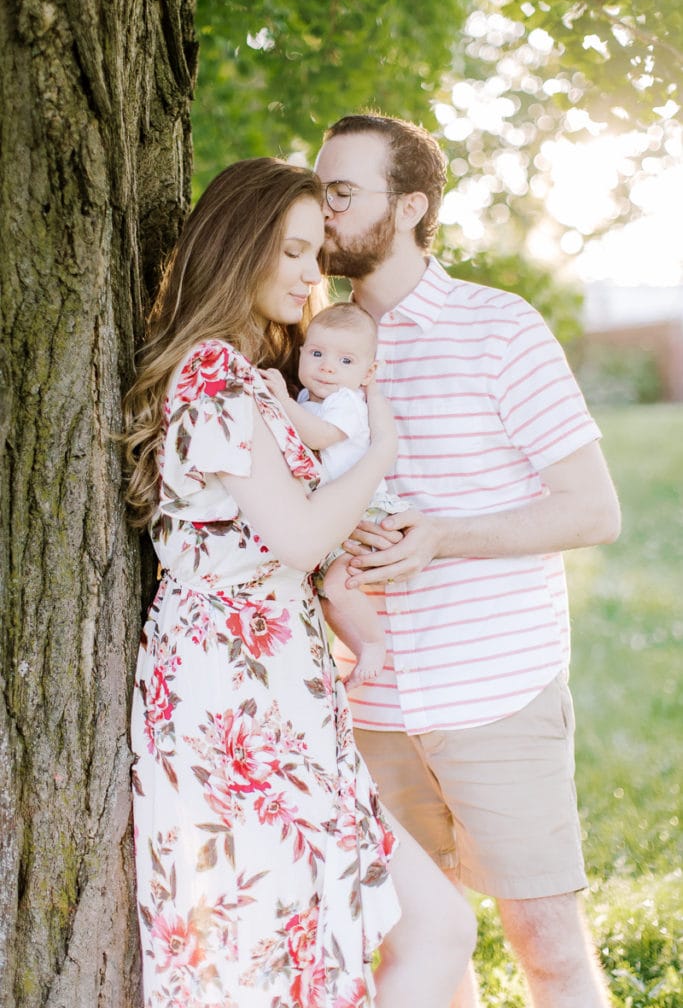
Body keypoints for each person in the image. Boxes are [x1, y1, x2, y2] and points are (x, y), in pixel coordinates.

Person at [122, 156, 475, 1008]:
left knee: (421, 929)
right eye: (290, 251)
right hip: (233, 700)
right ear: (236, 247)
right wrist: (378, 455)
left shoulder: (255, 378)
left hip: (277, 684)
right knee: (273, 962)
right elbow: (297, 534)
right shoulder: (211, 372)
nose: (311, 275)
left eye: (317, 253)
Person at [314, 114, 622, 1008]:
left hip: (493, 692)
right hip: (363, 706)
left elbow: (592, 510)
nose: (321, 207)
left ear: (409, 207)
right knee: (418, 956)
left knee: (548, 951)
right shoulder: (306, 339)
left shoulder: (497, 328)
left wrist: (442, 536)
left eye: (342, 191)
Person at [261, 301, 410, 690]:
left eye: (345, 361)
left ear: (367, 373)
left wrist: (282, 401)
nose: (328, 367)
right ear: (301, 354)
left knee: (340, 583)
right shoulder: (313, 402)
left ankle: (375, 643)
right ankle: (361, 648)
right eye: (317, 354)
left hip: (365, 512)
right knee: (327, 594)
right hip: (335, 517)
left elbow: (320, 436)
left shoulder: (345, 403)